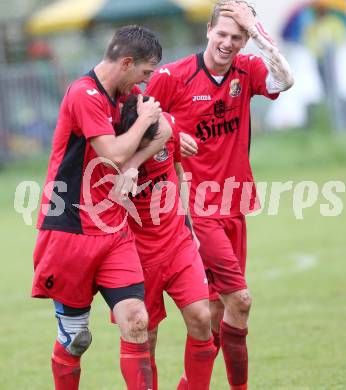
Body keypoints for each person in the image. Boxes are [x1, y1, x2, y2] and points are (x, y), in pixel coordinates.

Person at [145, 2, 294, 389]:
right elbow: (140, 119)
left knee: (214, 311)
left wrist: (259, 32)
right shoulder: (171, 76)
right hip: (196, 208)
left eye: (237, 36)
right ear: (208, 30)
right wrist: (174, 133)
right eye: (222, 34)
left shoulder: (248, 69)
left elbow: (285, 81)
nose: (228, 43)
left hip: (235, 204)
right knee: (239, 301)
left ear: (245, 40)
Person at [31, 25, 172, 390]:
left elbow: (165, 130)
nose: (146, 82)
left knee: (137, 321)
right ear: (126, 63)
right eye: (144, 72)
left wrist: (136, 163)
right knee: (76, 341)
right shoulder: (84, 94)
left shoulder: (127, 97)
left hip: (113, 231)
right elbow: (111, 153)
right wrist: (140, 126)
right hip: (70, 229)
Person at [114, 95, 216, 390]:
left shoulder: (167, 126)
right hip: (134, 253)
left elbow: (181, 172)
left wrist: (189, 225)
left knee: (201, 317)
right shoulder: (110, 149)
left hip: (177, 242)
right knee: (146, 335)